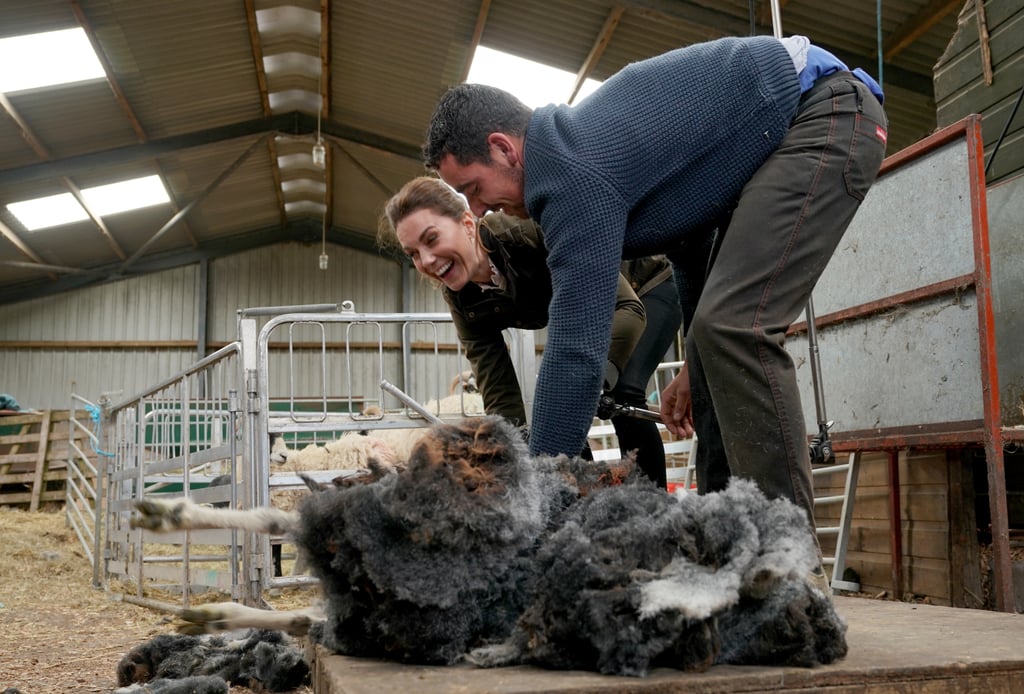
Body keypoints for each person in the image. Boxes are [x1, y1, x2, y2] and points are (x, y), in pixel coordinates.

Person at [422, 34, 888, 545]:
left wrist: (533, 496)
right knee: (715, 345)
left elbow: (578, 346)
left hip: (823, 111)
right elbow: (693, 241)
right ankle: (725, 547)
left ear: (503, 149)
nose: (480, 209)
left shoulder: (568, 174)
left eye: (472, 189)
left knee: (735, 327)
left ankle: (787, 559)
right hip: (781, 134)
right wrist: (695, 362)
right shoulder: (580, 153)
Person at [379, 175, 678, 484]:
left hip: (644, 287)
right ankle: (577, 501)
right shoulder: (461, 297)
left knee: (621, 394)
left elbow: (626, 309)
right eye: (412, 253)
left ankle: (652, 506)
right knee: (561, 415)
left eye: (431, 239)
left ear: (468, 223)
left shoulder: (527, 233)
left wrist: (592, 382)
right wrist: (515, 460)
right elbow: (499, 389)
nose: (426, 260)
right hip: (588, 309)